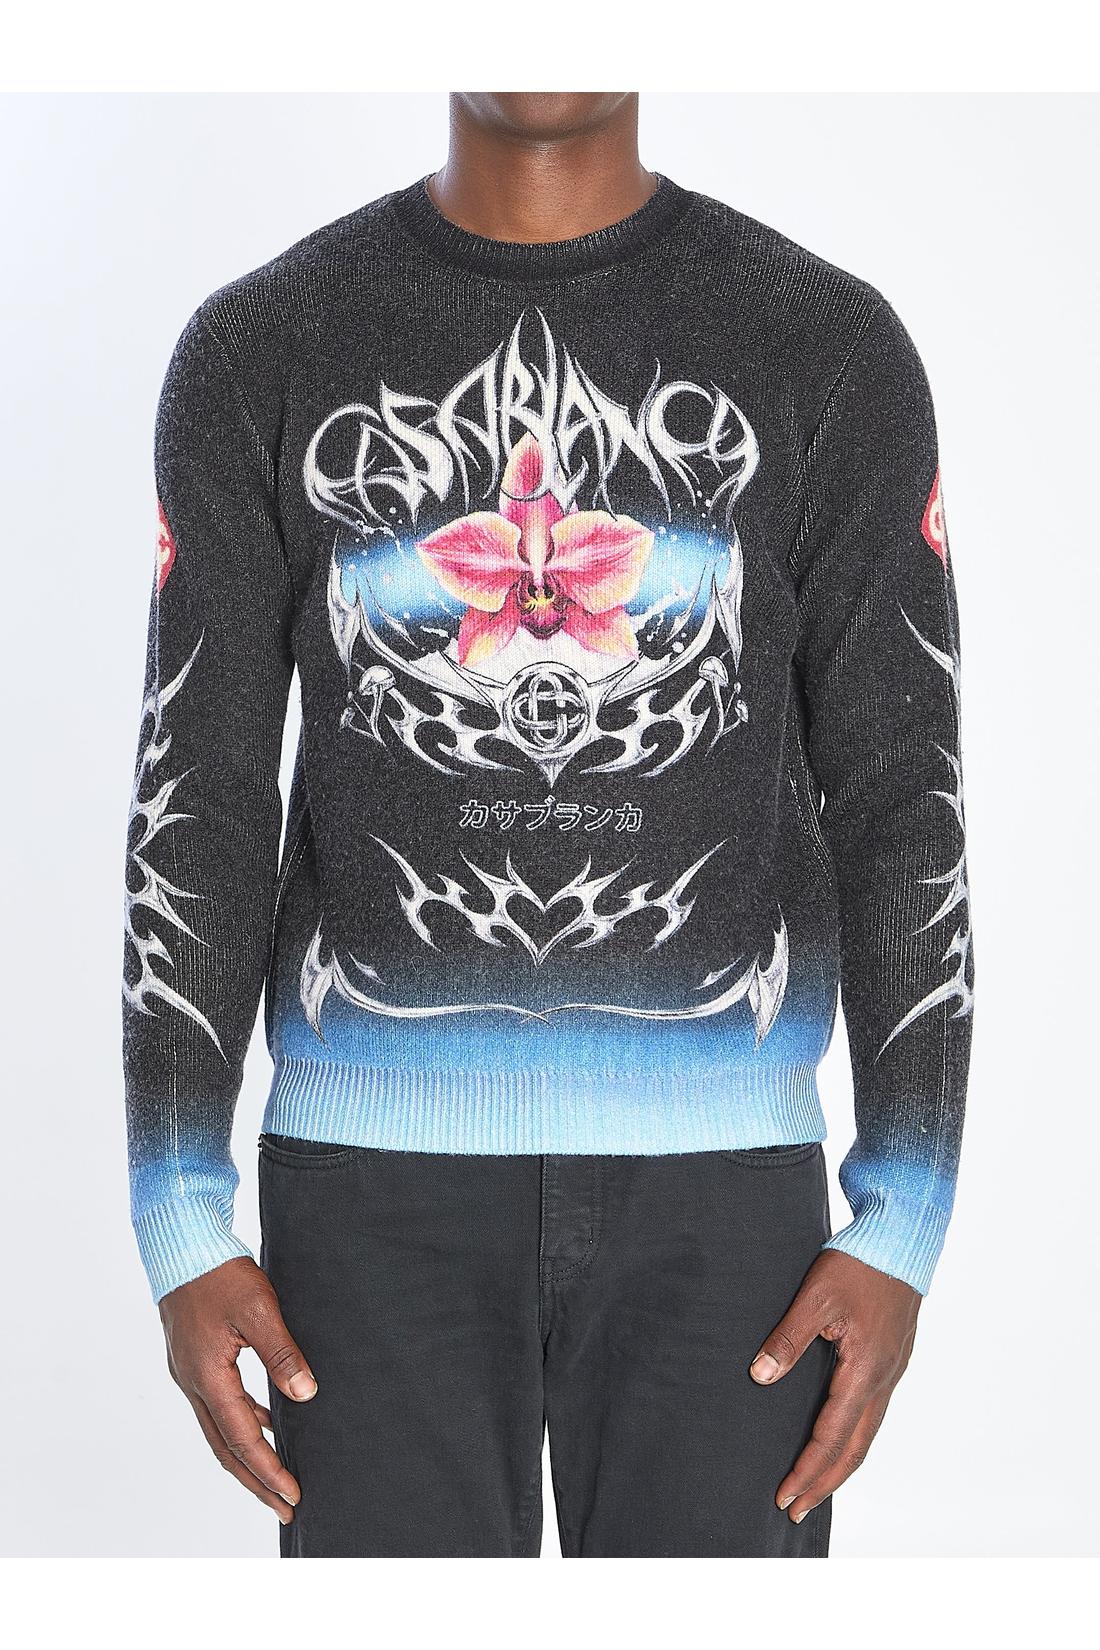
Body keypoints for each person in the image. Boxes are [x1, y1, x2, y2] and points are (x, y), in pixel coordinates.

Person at [123, 92, 973, 1558]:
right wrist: (176, 1210)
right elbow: (197, 792)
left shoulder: (828, 346)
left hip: (729, 1210)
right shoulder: (258, 347)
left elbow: (906, 794)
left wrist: (907, 1212)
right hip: (365, 1200)